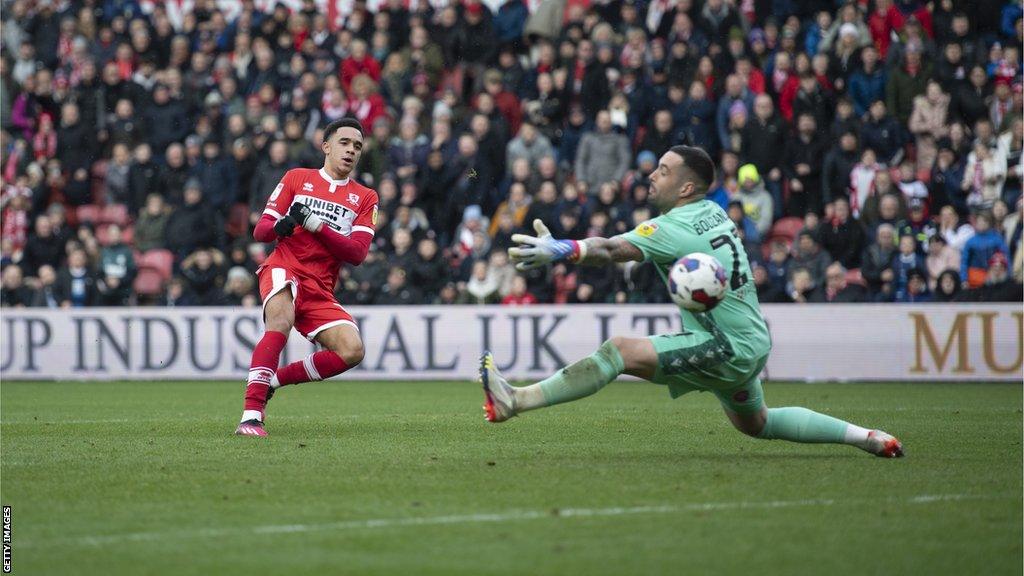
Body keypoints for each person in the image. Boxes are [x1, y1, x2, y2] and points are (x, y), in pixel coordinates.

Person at [487, 145, 903, 458]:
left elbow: (612, 249)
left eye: (663, 172)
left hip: (724, 346)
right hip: (751, 341)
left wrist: (565, 248)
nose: (652, 176)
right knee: (756, 424)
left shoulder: (675, 227)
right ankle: (865, 437)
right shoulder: (715, 213)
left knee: (619, 351)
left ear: (686, 187)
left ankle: (517, 400)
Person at [235, 118, 379, 437]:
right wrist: (281, 226)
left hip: (320, 287)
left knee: (352, 350)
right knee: (280, 321)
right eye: (344, 143)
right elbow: (261, 231)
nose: (351, 150)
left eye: (357, 146)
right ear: (326, 146)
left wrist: (317, 225)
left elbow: (356, 253)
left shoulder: (366, 198)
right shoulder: (296, 178)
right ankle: (251, 415)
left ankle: (275, 380)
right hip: (284, 267)